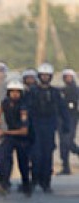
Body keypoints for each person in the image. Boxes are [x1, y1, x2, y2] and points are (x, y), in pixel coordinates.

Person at [26, 63, 70, 193]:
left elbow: (63, 109)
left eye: (47, 76)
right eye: (43, 75)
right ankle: (34, 180)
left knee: (47, 154)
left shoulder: (55, 92)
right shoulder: (32, 92)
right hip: (35, 125)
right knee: (36, 154)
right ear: (39, 76)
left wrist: (66, 123)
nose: (45, 78)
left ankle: (46, 182)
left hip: (50, 125)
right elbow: (26, 108)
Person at [0, 80, 32, 197]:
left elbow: (24, 131)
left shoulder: (23, 107)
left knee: (23, 164)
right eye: (12, 92)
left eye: (17, 92)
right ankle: (4, 183)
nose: (15, 94)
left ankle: (26, 185)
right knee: (1, 156)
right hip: (10, 135)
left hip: (22, 137)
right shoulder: (5, 102)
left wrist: (4, 132)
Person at [58, 69, 78, 175]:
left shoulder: (76, 90)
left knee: (68, 141)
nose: (68, 79)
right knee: (63, 143)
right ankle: (65, 167)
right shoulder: (60, 90)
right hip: (60, 118)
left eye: (69, 77)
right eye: (66, 77)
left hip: (72, 117)